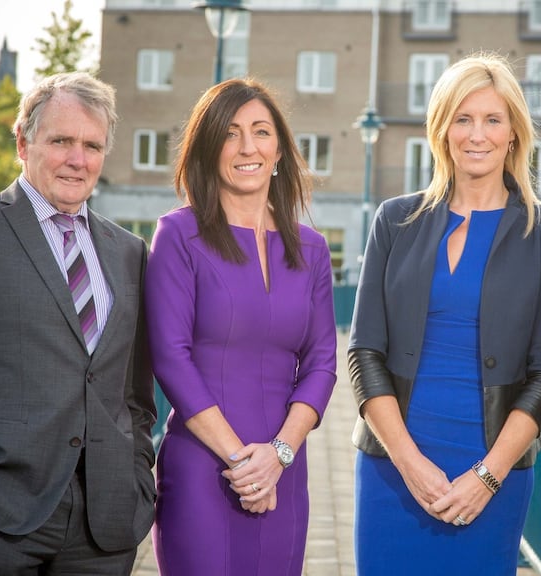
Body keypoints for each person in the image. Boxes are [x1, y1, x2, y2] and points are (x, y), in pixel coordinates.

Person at [0, 71, 156, 574]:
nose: (77, 159)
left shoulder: (129, 252)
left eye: (92, 145)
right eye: (61, 140)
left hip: (103, 524)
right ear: (23, 142)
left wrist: (136, 479)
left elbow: (134, 391)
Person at [348, 53, 541, 575]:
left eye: (493, 119)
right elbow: (364, 354)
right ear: (442, 128)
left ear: (514, 133)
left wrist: (488, 477)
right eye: (463, 118)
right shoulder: (396, 219)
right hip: (393, 465)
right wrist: (410, 465)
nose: (477, 134)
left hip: (493, 474)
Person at [145, 78, 337, 575]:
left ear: (279, 149)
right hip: (203, 468)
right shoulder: (178, 234)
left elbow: (321, 363)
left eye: (261, 131)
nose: (247, 147)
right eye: (230, 134)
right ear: (209, 149)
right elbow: (170, 356)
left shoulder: (312, 248)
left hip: (284, 470)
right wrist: (243, 464)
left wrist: (277, 456)